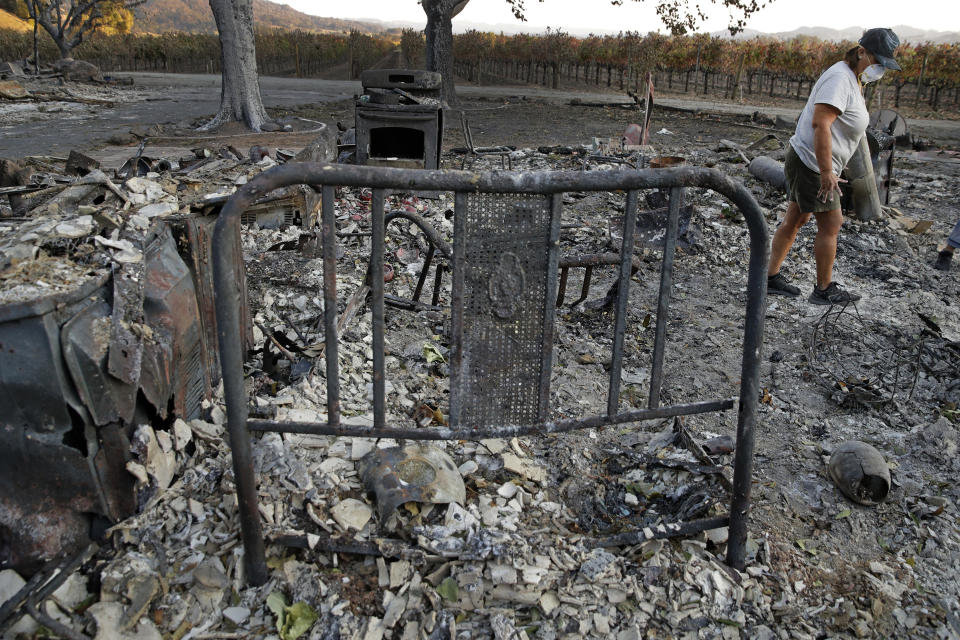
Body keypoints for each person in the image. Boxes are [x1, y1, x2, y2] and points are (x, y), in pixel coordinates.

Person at [766, 28, 901, 304]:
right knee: (832, 223)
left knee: (796, 218)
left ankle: (769, 278)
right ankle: (823, 290)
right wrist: (827, 171)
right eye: (878, 61)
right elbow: (821, 124)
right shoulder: (840, 78)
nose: (880, 69)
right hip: (813, 164)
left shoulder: (853, 78)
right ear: (862, 52)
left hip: (812, 161)